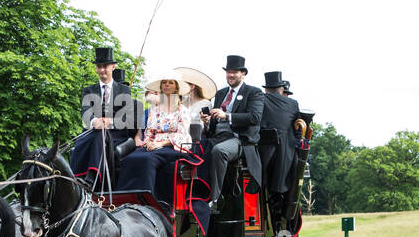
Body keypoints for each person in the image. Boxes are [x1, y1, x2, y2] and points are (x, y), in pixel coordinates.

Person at [116, 74, 192, 205]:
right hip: (153, 144)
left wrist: (160, 144)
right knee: (130, 158)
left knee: (147, 159)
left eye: (170, 83)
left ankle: (147, 201)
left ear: (176, 88)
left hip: (173, 146)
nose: (167, 85)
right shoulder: (154, 110)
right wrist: (149, 142)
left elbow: (182, 133)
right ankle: (123, 199)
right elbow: (149, 131)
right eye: (164, 82)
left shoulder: (182, 110)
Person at [70, 46, 137, 189]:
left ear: (113, 67)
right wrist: (94, 121)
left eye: (105, 66)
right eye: (99, 66)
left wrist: (110, 122)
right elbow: (85, 111)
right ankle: (72, 179)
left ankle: (91, 177)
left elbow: (127, 117)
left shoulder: (124, 90)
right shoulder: (88, 90)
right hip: (93, 131)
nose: (102, 70)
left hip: (115, 134)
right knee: (88, 138)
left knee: (98, 137)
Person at [204, 54, 264, 206]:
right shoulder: (220, 93)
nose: (230, 75)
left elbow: (254, 117)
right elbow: (215, 123)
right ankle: (198, 192)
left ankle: (215, 198)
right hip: (218, 135)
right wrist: (208, 120)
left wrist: (227, 116)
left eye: (234, 72)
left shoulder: (254, 92)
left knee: (220, 151)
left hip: (240, 139)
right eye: (228, 71)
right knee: (194, 147)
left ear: (243, 73)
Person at [259, 70, 301, 226]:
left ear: (266, 89)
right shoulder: (293, 104)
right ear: (282, 89)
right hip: (287, 158)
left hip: (264, 157)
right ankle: (284, 224)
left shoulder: (261, 100)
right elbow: (298, 130)